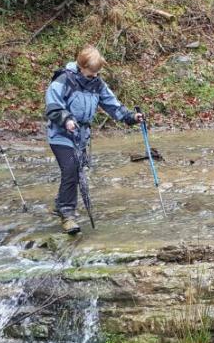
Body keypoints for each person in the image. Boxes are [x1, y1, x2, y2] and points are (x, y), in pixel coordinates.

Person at [45, 46, 142, 234]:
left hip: (81, 136)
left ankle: (60, 204)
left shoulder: (97, 84)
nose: (94, 76)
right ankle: (67, 215)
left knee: (75, 171)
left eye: (97, 73)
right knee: (71, 168)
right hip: (61, 134)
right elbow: (53, 106)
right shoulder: (64, 80)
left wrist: (131, 117)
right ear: (81, 67)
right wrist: (66, 119)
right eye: (91, 73)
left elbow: (112, 105)